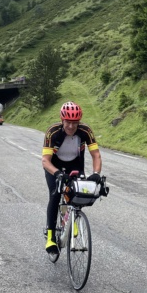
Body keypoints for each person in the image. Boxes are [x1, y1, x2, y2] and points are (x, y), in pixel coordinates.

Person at [41, 101, 102, 255]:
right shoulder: (53, 132)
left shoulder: (85, 131)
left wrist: (96, 173)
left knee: (77, 194)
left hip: (75, 165)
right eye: (68, 122)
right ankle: (50, 237)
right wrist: (57, 173)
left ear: (79, 122)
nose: (71, 126)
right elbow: (45, 160)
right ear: (62, 120)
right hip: (54, 166)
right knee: (55, 195)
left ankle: (72, 216)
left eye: (74, 123)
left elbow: (96, 155)